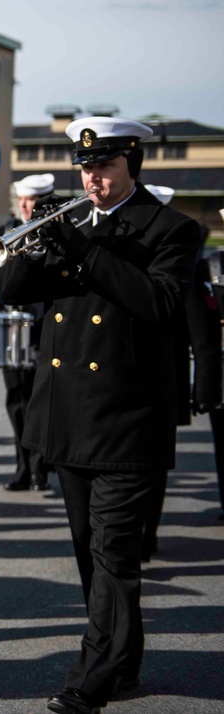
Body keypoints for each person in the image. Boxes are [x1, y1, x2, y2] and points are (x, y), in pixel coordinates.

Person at [0, 117, 201, 714]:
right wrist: (34, 242)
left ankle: (93, 677)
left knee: (114, 553)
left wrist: (83, 251)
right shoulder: (73, 224)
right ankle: (125, 657)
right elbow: (9, 290)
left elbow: (161, 303)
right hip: (69, 418)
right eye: (86, 168)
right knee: (90, 550)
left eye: (104, 167)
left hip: (127, 417)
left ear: (130, 164)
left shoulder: (172, 229)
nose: (93, 179)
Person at [141, 187, 221, 561]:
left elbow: (201, 331)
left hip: (163, 377)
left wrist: (203, 386)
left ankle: (146, 533)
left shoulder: (180, 258)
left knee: (153, 465)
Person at [0, 173, 56, 492]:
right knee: (16, 400)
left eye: (32, 200)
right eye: (22, 200)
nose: (25, 206)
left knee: (42, 401)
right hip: (12, 328)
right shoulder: (5, 231)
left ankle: (42, 467)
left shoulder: (58, 234)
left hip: (44, 326)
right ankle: (24, 468)